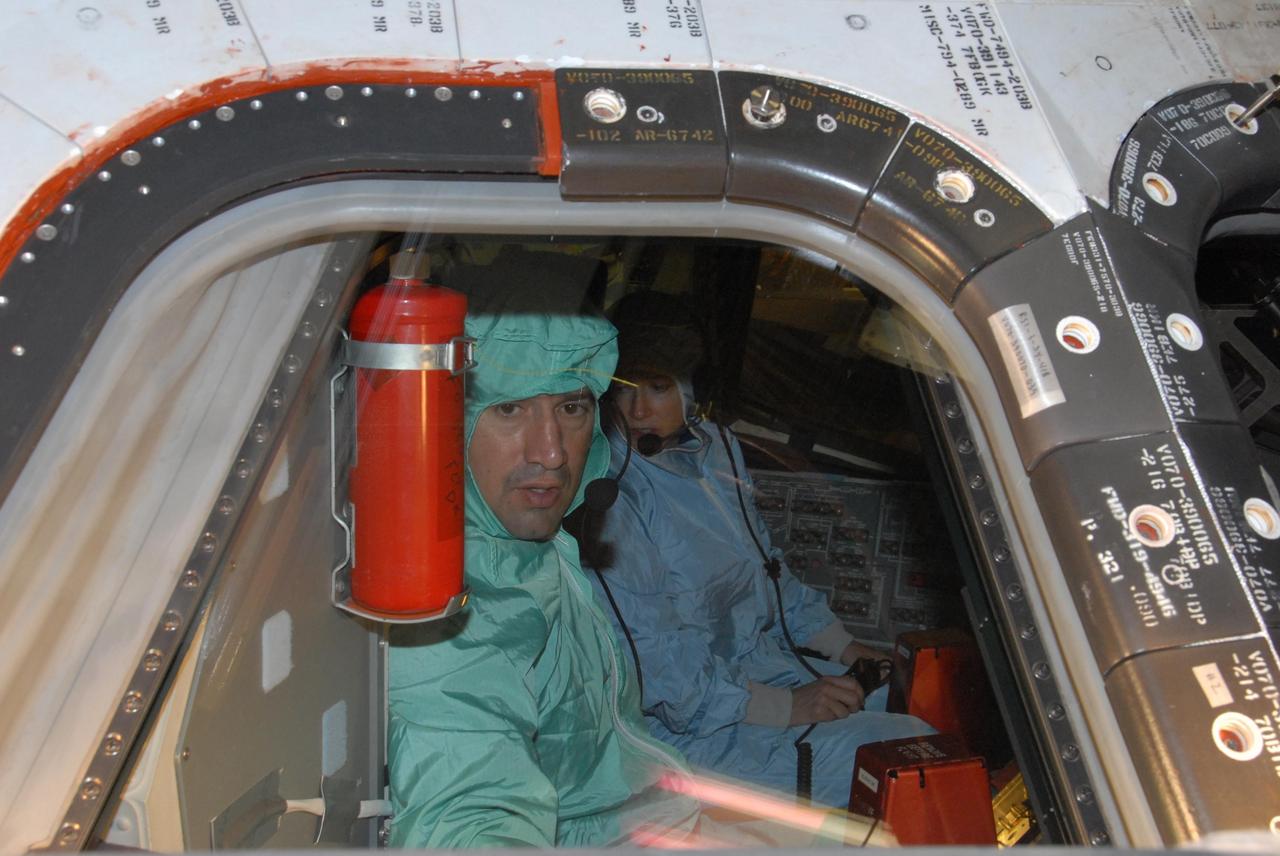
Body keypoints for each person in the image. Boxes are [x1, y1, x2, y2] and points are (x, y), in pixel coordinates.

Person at [583, 291, 933, 810]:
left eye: (657, 387)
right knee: (914, 760)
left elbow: (767, 572)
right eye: (625, 389)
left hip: (762, 673)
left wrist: (847, 648)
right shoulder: (613, 496)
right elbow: (660, 670)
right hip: (690, 733)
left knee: (920, 709)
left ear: (693, 390)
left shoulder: (714, 452)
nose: (636, 410)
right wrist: (788, 706)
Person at [386, 291, 701, 848]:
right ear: (446, 425)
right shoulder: (450, 599)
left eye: (572, 408)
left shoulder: (534, 547)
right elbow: (471, 810)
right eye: (510, 409)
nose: (552, 452)